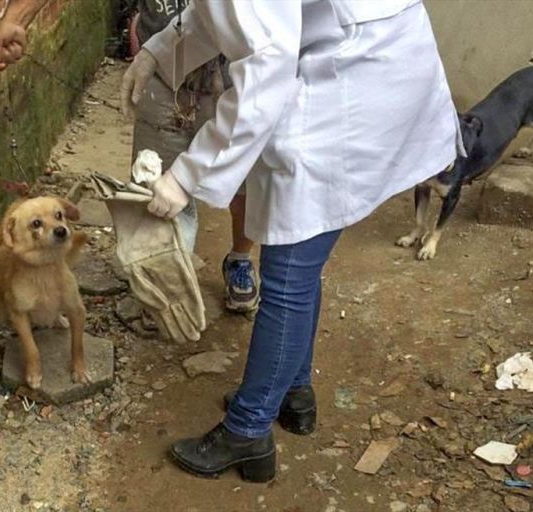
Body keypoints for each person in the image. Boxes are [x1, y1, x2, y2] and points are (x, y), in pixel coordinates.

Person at [121, 0, 461, 482]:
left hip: (355, 74)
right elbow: (233, 13)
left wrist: (185, 177)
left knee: (287, 274)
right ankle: (293, 392)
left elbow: (264, 64)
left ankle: (249, 430)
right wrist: (159, 50)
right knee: (299, 260)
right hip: (360, 51)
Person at [0, 0, 260, 314]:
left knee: (245, 186)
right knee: (156, 190)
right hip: (165, 68)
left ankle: (240, 258)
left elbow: (273, 56)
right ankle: (166, 280)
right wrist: (16, 19)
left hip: (241, 79)